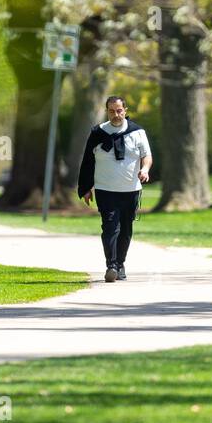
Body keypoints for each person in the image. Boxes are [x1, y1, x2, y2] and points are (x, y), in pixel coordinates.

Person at [78, 95, 152, 283]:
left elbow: (147, 156)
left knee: (126, 229)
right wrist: (86, 188)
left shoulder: (137, 132)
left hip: (131, 190)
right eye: (112, 111)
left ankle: (120, 264)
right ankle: (111, 266)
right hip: (105, 190)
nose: (116, 114)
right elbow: (87, 162)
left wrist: (144, 169)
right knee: (110, 227)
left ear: (125, 110)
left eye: (119, 110)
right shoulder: (98, 133)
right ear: (107, 111)